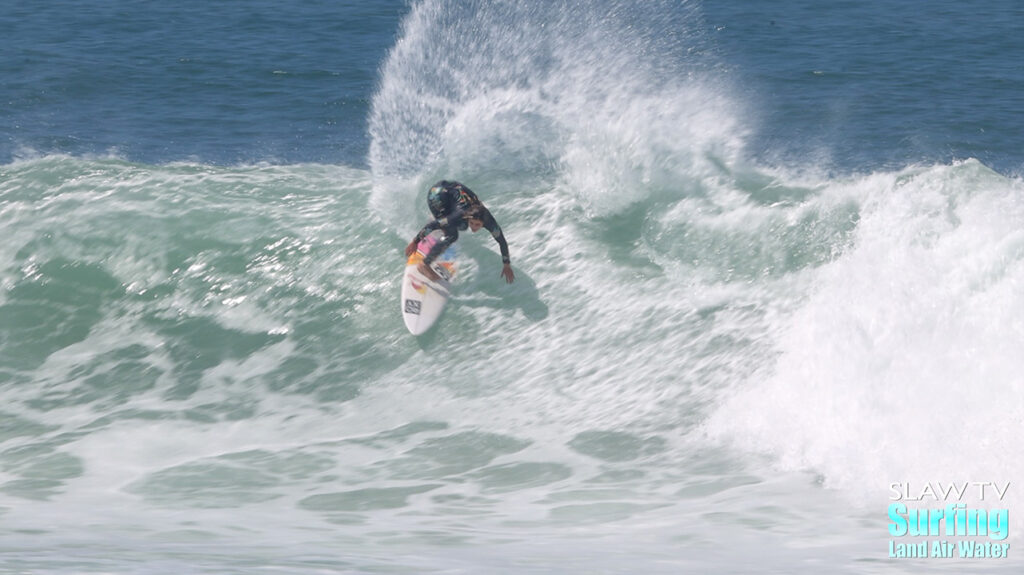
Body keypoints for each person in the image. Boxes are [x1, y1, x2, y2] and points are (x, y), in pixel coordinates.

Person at [404, 180, 515, 284]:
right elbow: (433, 225)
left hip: (450, 192)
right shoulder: (461, 214)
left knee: (462, 226)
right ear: (468, 217)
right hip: (437, 196)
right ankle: (424, 265)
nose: (474, 227)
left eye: (478, 225)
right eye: (472, 223)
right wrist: (415, 241)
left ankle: (443, 220)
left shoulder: (489, 221)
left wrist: (506, 264)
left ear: (484, 223)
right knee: (452, 235)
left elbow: (502, 241)